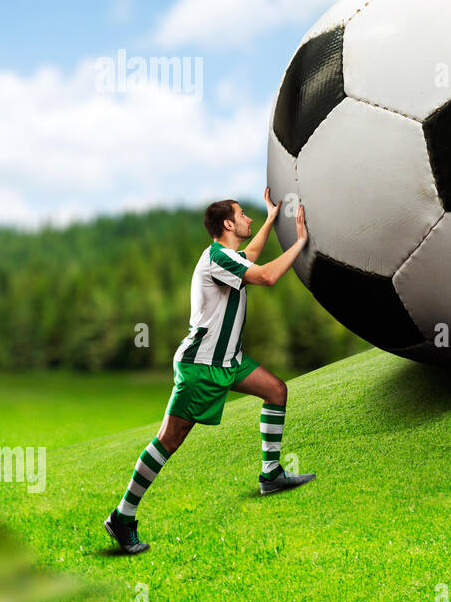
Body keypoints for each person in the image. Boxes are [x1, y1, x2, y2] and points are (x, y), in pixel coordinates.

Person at [104, 190, 314, 555]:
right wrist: (299, 243)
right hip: (202, 366)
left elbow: (250, 257)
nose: (247, 219)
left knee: (276, 391)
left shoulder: (229, 256)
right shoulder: (216, 257)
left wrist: (268, 220)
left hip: (229, 363)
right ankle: (123, 517)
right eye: (243, 215)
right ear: (228, 224)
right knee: (169, 440)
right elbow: (264, 276)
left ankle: (271, 474)